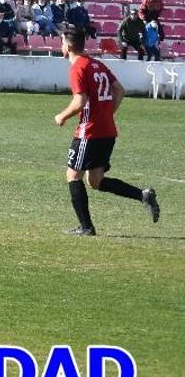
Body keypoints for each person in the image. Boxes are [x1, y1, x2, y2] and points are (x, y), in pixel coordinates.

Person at [54, 29, 159, 236]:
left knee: (73, 175)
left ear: (68, 46)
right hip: (108, 131)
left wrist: (62, 116)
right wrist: (107, 113)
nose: (61, 48)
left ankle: (86, 228)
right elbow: (120, 89)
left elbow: (79, 101)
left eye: (61, 44)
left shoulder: (78, 67)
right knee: (95, 181)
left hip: (89, 132)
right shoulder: (97, 64)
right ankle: (143, 195)